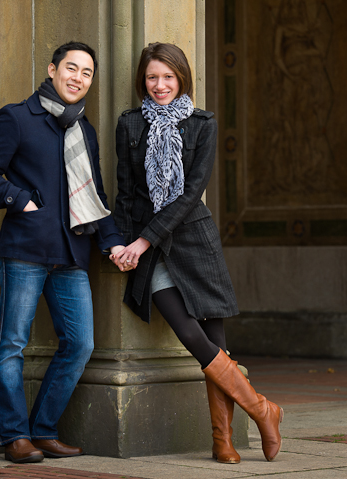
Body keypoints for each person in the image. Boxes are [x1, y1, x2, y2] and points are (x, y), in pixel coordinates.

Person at [110, 42, 283, 464]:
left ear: (182, 78)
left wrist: (143, 239)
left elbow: (190, 195)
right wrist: (118, 241)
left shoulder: (202, 123)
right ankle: (262, 409)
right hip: (149, 249)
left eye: (168, 77)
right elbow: (126, 192)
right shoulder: (130, 124)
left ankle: (222, 441)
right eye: (152, 77)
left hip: (193, 240)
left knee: (216, 341)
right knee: (192, 335)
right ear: (142, 81)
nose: (160, 85)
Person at [0, 41, 126, 464]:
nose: (78, 78)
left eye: (87, 73)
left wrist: (111, 241)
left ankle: (43, 429)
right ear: (53, 70)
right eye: (71, 68)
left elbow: (95, 194)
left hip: (72, 254)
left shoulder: (84, 130)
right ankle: (15, 436)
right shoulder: (18, 117)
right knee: (12, 345)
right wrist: (21, 199)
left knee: (80, 343)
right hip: (24, 249)